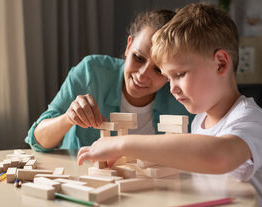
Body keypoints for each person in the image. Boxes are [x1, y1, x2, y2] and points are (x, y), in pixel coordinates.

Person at [77, 3, 262, 207]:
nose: (172, 88)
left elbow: (217, 156)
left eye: (179, 74)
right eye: (168, 78)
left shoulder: (251, 121)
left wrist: (121, 144)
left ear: (220, 64)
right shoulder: (200, 121)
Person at [25, 9, 191, 152]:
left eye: (158, 70)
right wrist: (68, 118)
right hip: (82, 182)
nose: (141, 75)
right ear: (128, 46)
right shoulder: (91, 72)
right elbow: (37, 141)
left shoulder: (182, 97)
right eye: (138, 58)